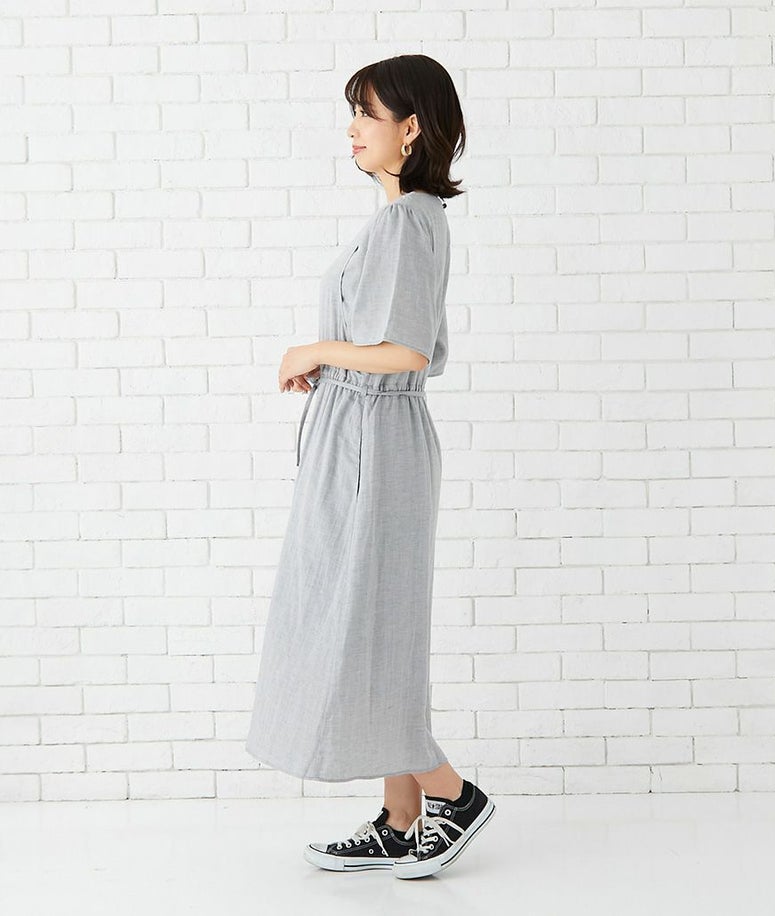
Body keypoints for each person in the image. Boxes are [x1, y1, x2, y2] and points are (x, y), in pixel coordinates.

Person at [245, 54, 496, 879]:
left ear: (410, 128)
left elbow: (408, 351)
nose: (352, 129)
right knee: (374, 624)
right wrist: (336, 364)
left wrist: (317, 349)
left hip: (376, 442)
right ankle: (400, 817)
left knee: (362, 627)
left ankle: (452, 795)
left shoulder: (407, 223)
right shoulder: (402, 219)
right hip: (362, 432)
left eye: (367, 113)